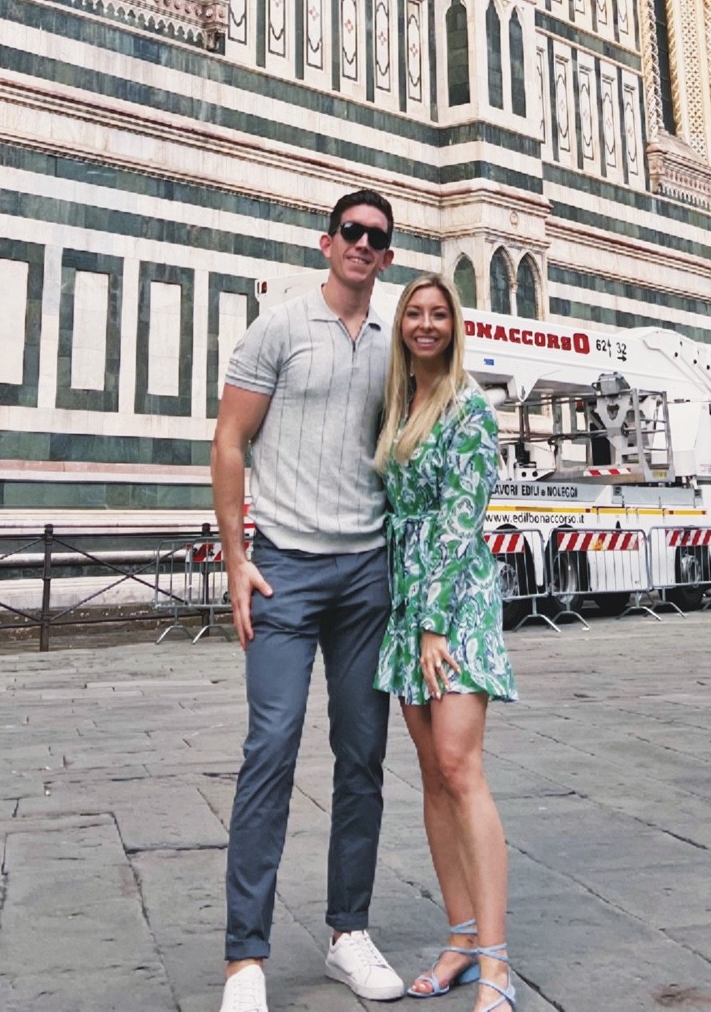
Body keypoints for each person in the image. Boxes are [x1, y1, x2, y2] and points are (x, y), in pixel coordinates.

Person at [214, 190, 406, 1012]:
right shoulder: (281, 328)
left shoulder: (397, 342)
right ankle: (244, 960)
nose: (363, 246)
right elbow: (228, 441)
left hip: (366, 575)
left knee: (363, 758)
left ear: (386, 256)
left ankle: (348, 934)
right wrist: (235, 559)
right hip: (286, 571)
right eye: (351, 233)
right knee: (272, 747)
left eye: (377, 238)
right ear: (327, 243)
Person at [373, 276, 516, 1012]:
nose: (425, 325)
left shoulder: (468, 410)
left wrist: (432, 622)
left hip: (452, 609)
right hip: (407, 609)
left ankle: (495, 961)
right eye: (414, 315)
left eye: (438, 316)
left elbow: (462, 522)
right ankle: (460, 937)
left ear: (454, 327)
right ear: (401, 326)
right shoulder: (400, 406)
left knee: (462, 771)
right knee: (432, 777)